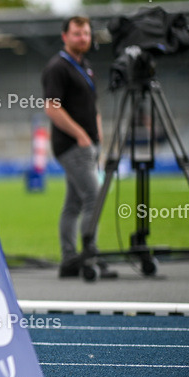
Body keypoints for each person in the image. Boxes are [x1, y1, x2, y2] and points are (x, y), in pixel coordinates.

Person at [41, 16, 116, 279]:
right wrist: (81, 135)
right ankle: (89, 256)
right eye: (77, 34)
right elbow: (52, 107)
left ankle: (70, 259)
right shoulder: (58, 67)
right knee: (93, 197)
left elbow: (91, 105)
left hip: (88, 144)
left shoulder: (86, 65)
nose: (83, 38)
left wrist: (98, 132)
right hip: (71, 145)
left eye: (86, 33)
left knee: (73, 203)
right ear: (65, 36)